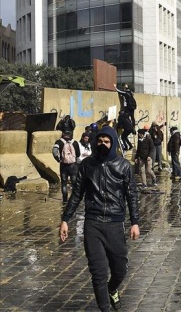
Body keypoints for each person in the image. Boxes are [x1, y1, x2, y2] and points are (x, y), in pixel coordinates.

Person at [58, 126, 140, 312]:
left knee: (120, 269)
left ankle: (112, 289)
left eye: (107, 141)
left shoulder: (123, 166)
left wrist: (135, 222)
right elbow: (77, 193)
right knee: (98, 272)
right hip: (93, 223)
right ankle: (105, 308)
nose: (103, 144)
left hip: (114, 223)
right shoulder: (87, 165)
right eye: (100, 141)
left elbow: (132, 195)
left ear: (112, 143)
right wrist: (65, 219)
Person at [52, 131, 81, 203]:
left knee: (64, 183)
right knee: (74, 182)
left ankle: (65, 199)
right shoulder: (75, 142)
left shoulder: (59, 142)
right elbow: (78, 154)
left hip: (63, 165)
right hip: (73, 166)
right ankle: (74, 198)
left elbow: (54, 151)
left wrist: (58, 159)